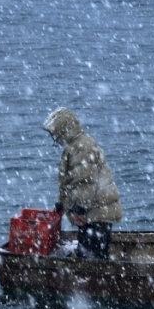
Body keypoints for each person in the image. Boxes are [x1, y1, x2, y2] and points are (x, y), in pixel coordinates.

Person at [43, 107, 123, 259]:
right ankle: (96, 277)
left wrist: (80, 209)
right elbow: (72, 182)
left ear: (63, 130)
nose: (54, 138)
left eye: (55, 133)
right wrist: (63, 203)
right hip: (93, 213)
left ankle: (95, 280)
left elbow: (86, 182)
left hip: (96, 213)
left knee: (92, 259)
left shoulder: (82, 147)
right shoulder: (75, 146)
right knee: (90, 255)